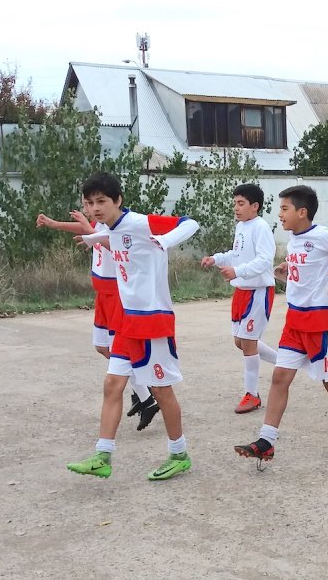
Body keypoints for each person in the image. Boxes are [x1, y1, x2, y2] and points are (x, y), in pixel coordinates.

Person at [66, 171, 199, 480]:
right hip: (128, 320)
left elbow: (189, 222)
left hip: (152, 320)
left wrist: (164, 241)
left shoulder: (139, 222)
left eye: (101, 201)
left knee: (161, 390)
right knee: (112, 384)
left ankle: (179, 454)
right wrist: (92, 238)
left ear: (118, 201)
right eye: (89, 203)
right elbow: (117, 242)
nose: (95, 208)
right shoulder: (113, 229)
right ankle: (103, 455)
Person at [234, 185, 328, 467]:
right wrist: (286, 275)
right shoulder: (294, 241)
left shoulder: (324, 236)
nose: (279, 214)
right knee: (280, 377)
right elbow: (305, 278)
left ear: (302, 212)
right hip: (295, 322)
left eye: (284, 209)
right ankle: (266, 441)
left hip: (323, 322)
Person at [36, 208, 160, 431]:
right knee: (103, 347)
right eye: (87, 203)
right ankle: (143, 393)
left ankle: (146, 397)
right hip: (102, 294)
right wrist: (55, 224)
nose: (89, 208)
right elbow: (90, 231)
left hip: (116, 295)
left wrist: (86, 227)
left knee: (122, 353)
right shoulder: (100, 224)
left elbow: (102, 238)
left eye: (96, 202)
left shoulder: (121, 227)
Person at [201, 183, 279, 414]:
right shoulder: (241, 226)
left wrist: (239, 271)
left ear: (255, 206)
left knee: (248, 344)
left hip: (258, 291)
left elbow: (265, 260)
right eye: (235, 203)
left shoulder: (261, 227)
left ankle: (252, 395)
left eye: (241, 203)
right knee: (240, 341)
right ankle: (286, 362)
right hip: (242, 291)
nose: (236, 208)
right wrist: (216, 259)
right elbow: (235, 255)